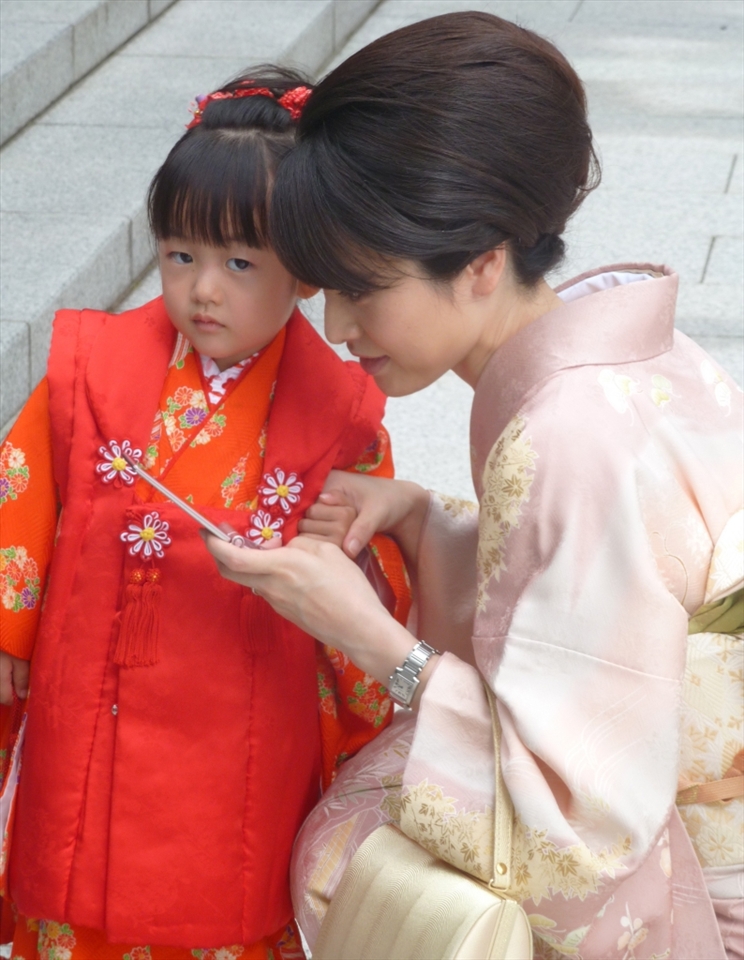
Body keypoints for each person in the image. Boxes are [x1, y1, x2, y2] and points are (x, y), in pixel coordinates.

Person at [203, 13, 744, 960]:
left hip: (689, 857)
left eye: (362, 288)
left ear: (484, 261)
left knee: (356, 850)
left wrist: (373, 641)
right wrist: (417, 516)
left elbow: (576, 827)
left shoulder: (567, 436)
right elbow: (575, 606)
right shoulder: (627, 350)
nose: (335, 325)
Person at [0, 66, 411, 960]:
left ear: (305, 271)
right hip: (90, 688)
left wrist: (353, 566)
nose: (203, 291)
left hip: (241, 708)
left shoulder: (336, 410)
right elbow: (22, 492)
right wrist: (10, 632)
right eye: (180, 254)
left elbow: (366, 562)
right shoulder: (89, 366)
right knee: (76, 879)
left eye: (239, 263)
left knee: (223, 894)